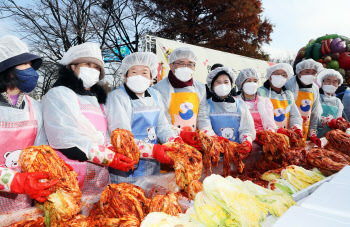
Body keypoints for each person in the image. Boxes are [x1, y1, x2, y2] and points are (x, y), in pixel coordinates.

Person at [42, 42, 134, 195]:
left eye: (96, 67)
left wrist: (115, 150)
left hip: (98, 178)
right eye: (87, 64)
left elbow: (105, 135)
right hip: (69, 175)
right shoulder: (59, 94)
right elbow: (66, 140)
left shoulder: (98, 101)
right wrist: (110, 158)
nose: (92, 70)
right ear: (72, 66)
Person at [0, 35, 57, 213]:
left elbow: (41, 150)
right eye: (24, 65)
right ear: (9, 71)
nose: (31, 71)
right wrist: (17, 181)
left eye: (31, 65)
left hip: (26, 197)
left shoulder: (34, 106)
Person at [106, 52, 181, 184]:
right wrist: (155, 150)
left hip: (153, 166)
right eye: (134, 72)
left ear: (152, 78)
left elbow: (162, 126)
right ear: (125, 76)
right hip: (127, 169)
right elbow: (122, 140)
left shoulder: (155, 95)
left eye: (145, 72)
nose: (139, 76)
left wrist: (172, 140)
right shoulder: (118, 97)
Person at [152, 47, 214, 148]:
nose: (186, 67)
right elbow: (163, 122)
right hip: (170, 142)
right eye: (181, 63)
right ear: (171, 65)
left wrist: (210, 136)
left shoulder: (200, 87)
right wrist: (181, 137)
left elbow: (202, 117)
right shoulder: (159, 89)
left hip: (195, 142)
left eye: (190, 64)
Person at [204, 66, 256, 152]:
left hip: (237, 151)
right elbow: (204, 127)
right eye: (218, 82)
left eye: (226, 82)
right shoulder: (206, 105)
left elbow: (247, 128)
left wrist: (246, 142)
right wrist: (216, 143)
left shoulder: (240, 104)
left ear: (231, 85)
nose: (223, 85)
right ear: (212, 86)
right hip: (214, 151)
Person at [257, 63, 303, 138]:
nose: (280, 77)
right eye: (277, 74)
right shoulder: (261, 92)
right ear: (270, 76)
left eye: (283, 75)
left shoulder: (288, 95)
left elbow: (295, 116)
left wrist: (296, 128)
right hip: (267, 136)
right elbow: (258, 118)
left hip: (285, 137)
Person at [285, 59, 323, 146]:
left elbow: (315, 111)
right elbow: (288, 109)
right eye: (307, 72)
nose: (310, 75)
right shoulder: (290, 85)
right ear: (299, 73)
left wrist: (312, 132)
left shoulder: (315, 88)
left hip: (306, 125)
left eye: (313, 72)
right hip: (289, 127)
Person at [235, 68, 277, 132]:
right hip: (242, 138)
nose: (252, 83)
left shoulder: (265, 102)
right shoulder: (235, 101)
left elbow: (270, 123)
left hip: (262, 138)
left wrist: (269, 133)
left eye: (255, 81)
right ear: (241, 84)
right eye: (249, 81)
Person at [316, 69, 346, 137]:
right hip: (314, 135)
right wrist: (328, 121)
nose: (331, 84)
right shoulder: (316, 98)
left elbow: (338, 121)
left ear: (338, 85)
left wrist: (340, 122)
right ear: (322, 83)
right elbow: (313, 118)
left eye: (335, 82)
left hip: (330, 138)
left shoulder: (338, 102)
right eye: (328, 81)